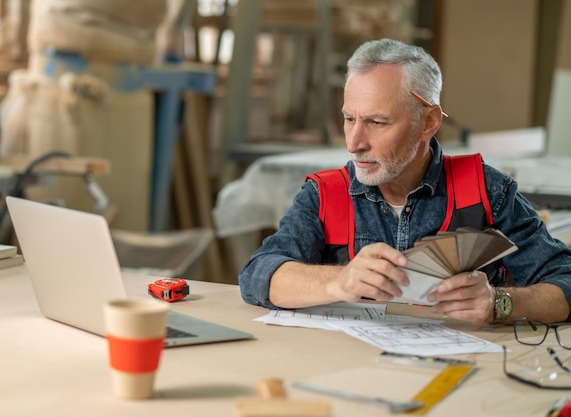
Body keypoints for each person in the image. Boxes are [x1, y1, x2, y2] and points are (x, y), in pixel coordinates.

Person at [238, 38, 571, 327]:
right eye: (349, 119)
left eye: (376, 122)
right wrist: (340, 280)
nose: (354, 143)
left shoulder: (487, 192)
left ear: (428, 122)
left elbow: (565, 282)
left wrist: (501, 302)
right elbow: (258, 275)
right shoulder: (325, 194)